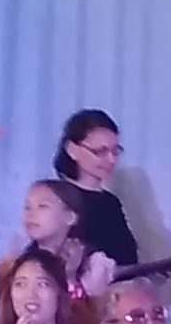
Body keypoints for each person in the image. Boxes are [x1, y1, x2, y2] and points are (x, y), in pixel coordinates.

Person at [53, 109, 143, 271]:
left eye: (115, 151)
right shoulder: (57, 198)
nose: (111, 160)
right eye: (100, 152)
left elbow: (128, 258)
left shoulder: (110, 202)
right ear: (72, 150)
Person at [17, 178, 121, 302]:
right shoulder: (21, 261)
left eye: (43, 206)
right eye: (27, 207)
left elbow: (89, 312)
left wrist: (71, 278)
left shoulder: (94, 264)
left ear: (70, 217)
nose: (31, 214)